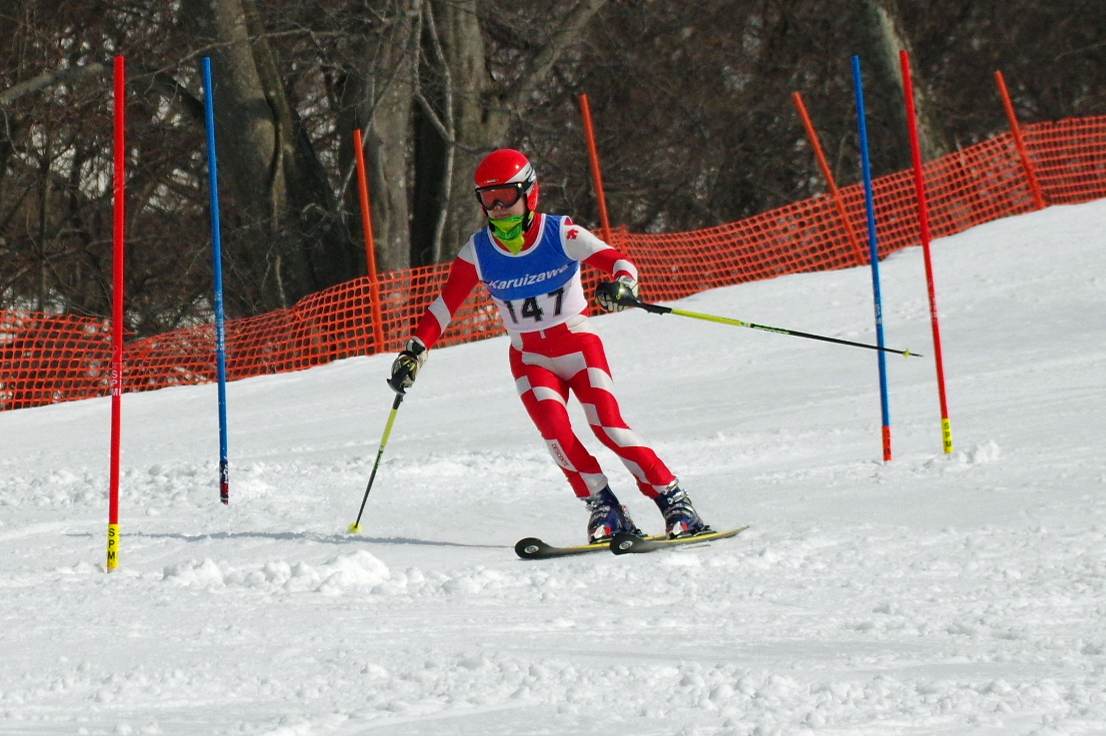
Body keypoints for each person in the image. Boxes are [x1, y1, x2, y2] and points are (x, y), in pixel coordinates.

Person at [387, 148, 710, 543]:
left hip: (577, 345)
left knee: (608, 426)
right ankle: (604, 507)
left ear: (530, 193)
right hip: (529, 356)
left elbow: (620, 262)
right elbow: (444, 306)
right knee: (556, 434)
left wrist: (622, 286)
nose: (499, 208)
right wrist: (414, 351)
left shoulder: (560, 234)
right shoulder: (478, 252)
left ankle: (673, 500)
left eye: (506, 196)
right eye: (489, 199)